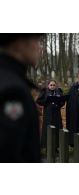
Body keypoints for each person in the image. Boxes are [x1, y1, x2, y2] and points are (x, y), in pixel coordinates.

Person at [0, 33, 44, 162]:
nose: (39, 47)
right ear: (20, 43)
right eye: (36, 40)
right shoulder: (13, 90)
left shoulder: (9, 77)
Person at [36, 80, 65, 150]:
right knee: (48, 129)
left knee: (57, 129)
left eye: (54, 85)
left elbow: (62, 101)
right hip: (48, 113)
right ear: (48, 85)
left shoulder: (59, 92)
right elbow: (38, 101)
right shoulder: (45, 92)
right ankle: (47, 147)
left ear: (56, 86)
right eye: (51, 85)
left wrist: (59, 103)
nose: (52, 86)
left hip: (56, 113)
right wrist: (46, 101)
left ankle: (56, 147)